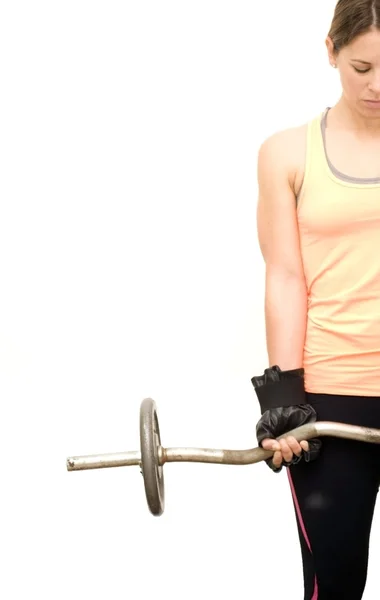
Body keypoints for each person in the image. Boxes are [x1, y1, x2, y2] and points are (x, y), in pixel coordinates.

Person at [250, 1, 380, 598]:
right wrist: (283, 398)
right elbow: (284, 276)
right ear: (331, 50)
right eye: (362, 67)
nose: (377, 85)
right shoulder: (286, 153)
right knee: (334, 583)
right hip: (332, 401)